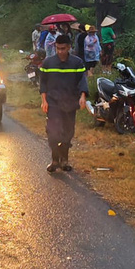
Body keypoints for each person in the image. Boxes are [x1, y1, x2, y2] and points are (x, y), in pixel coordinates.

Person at [39, 34, 88, 172]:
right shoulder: (48, 63)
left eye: (63, 48)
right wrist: (44, 100)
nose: (60, 51)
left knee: (68, 132)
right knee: (53, 132)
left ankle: (64, 160)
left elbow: (82, 81)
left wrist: (82, 96)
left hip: (70, 102)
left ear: (69, 48)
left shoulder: (77, 63)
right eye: (58, 48)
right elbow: (43, 83)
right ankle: (55, 160)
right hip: (53, 103)